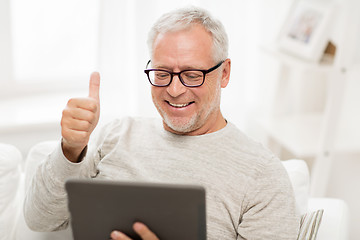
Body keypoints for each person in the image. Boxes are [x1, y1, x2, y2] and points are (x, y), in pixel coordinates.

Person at [24, 6, 299, 240]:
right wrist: (70, 149)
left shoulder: (263, 176)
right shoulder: (116, 135)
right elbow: (40, 220)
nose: (175, 90)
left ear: (224, 73)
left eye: (192, 75)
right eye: (162, 73)